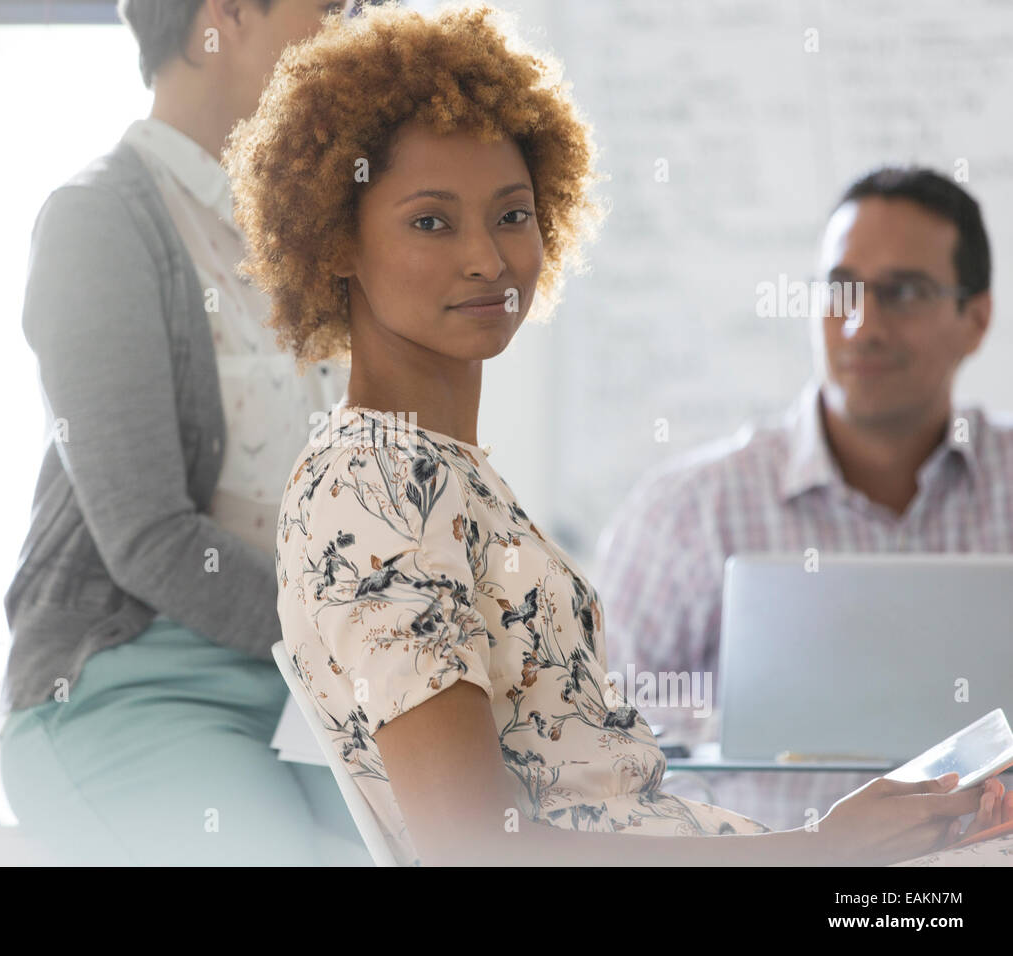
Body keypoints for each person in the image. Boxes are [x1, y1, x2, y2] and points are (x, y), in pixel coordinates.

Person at [223, 0, 1013, 866]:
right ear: (336, 242)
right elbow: (477, 847)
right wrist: (819, 852)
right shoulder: (371, 486)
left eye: (513, 214)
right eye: (431, 221)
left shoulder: (442, 473)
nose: (487, 256)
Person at [0, 0, 373, 866]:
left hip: (304, 689)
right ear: (226, 15)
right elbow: (149, 536)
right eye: (332, 9)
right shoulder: (99, 222)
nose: (351, 34)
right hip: (133, 680)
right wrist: (354, 638)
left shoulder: (307, 230)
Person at [594, 166, 1013, 829]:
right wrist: (727, 720)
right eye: (841, 290)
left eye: (904, 292)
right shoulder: (689, 510)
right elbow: (589, 748)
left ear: (976, 318)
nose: (862, 325)